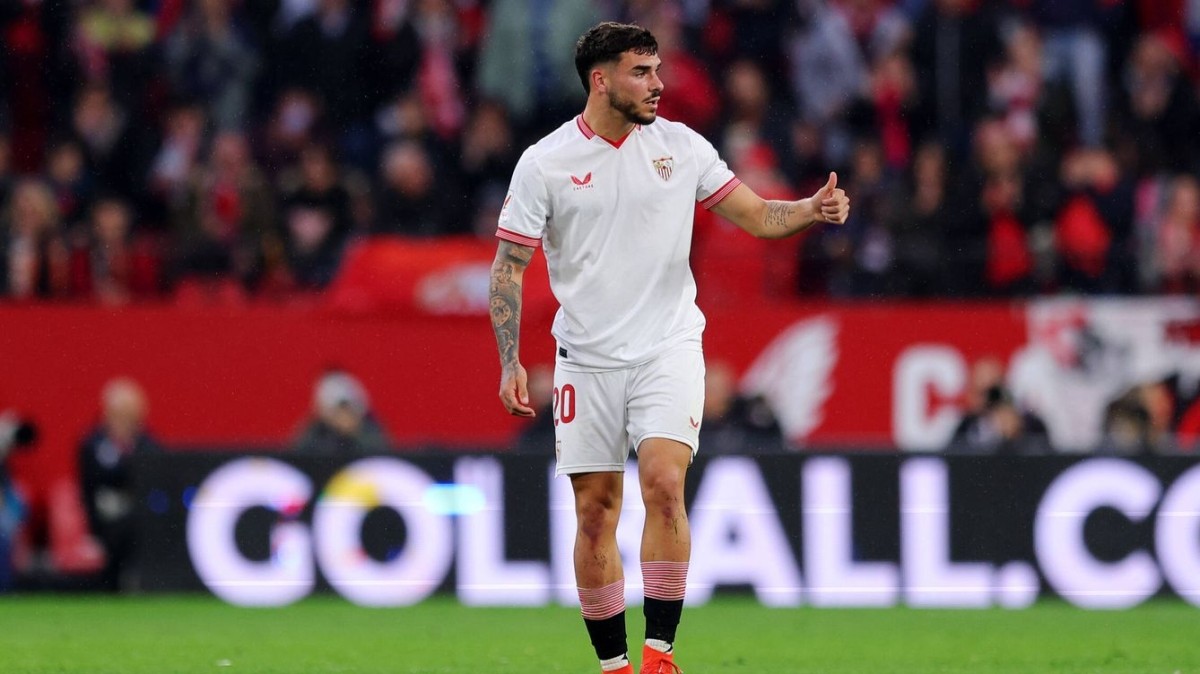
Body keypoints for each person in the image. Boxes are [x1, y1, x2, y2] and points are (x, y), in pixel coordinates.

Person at [487, 22, 849, 674]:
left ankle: (659, 655)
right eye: (642, 72)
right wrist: (510, 359)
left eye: (657, 70)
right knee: (596, 512)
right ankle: (614, 666)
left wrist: (809, 209)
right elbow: (509, 265)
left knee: (662, 483)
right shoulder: (545, 162)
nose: (659, 84)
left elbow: (758, 215)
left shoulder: (681, 147)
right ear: (601, 80)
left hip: (667, 346)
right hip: (586, 358)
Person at [78, 378, 160, 591]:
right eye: (121, 413)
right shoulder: (93, 444)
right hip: (104, 518)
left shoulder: (148, 444)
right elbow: (92, 483)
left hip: (142, 515)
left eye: (131, 413)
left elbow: (155, 475)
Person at [293, 370, 390, 455]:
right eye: (338, 413)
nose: (343, 418)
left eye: (348, 411)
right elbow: (297, 456)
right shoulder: (315, 433)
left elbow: (382, 458)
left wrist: (355, 433)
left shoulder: (371, 432)